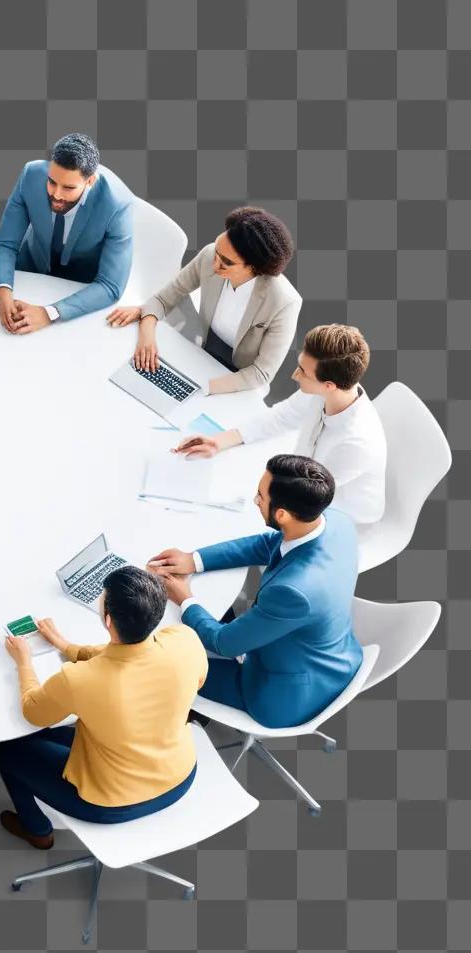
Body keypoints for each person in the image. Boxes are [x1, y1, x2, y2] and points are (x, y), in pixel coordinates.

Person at [0, 567, 206, 850]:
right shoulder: (185, 641)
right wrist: (65, 646)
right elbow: (129, 655)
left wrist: (24, 662)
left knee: (9, 750)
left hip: (111, 803)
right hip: (180, 775)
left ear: (107, 619)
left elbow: (32, 711)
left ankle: (37, 830)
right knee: (52, 738)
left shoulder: (79, 680)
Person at [148, 455, 362, 730]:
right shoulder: (336, 522)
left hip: (284, 695)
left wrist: (184, 597)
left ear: (282, 514)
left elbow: (224, 642)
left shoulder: (293, 592)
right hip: (335, 658)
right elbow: (269, 543)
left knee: (159, 667)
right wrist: (194, 559)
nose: (255, 500)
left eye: (260, 496)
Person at [169, 324, 386, 525]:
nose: (294, 375)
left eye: (303, 372)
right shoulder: (324, 392)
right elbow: (281, 417)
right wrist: (218, 441)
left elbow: (309, 496)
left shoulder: (356, 444)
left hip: (337, 513)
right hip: (303, 475)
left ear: (329, 385)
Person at [108, 206, 300, 394]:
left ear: (255, 267)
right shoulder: (210, 256)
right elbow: (162, 298)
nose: (215, 265)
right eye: (217, 252)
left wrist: (203, 389)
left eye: (227, 262)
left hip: (241, 378)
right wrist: (146, 335)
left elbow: (261, 373)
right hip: (202, 353)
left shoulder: (284, 302)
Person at [0, 132, 134, 333]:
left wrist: (49, 313)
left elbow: (111, 286)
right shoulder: (31, 175)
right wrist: (4, 295)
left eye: (68, 187)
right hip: (29, 270)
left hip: (78, 287)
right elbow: (6, 244)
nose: (56, 194)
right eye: (52, 182)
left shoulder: (118, 205)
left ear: (89, 181)